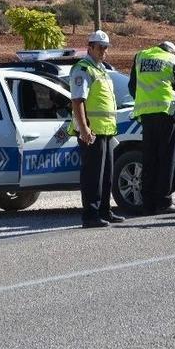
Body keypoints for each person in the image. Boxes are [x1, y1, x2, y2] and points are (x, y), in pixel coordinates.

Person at [68, 31, 125, 228]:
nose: (104, 51)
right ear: (90, 47)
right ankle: (90, 215)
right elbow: (77, 101)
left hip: (106, 131)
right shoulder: (83, 69)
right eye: (100, 47)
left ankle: (104, 211)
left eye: (106, 48)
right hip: (92, 132)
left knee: (106, 175)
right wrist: (84, 129)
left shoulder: (100, 69)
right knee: (93, 176)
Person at [128, 41, 175, 214]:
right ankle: (164, 203)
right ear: (172, 51)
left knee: (149, 159)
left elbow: (132, 87)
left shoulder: (140, 57)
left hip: (146, 115)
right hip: (166, 114)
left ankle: (147, 203)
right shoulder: (174, 61)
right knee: (166, 159)